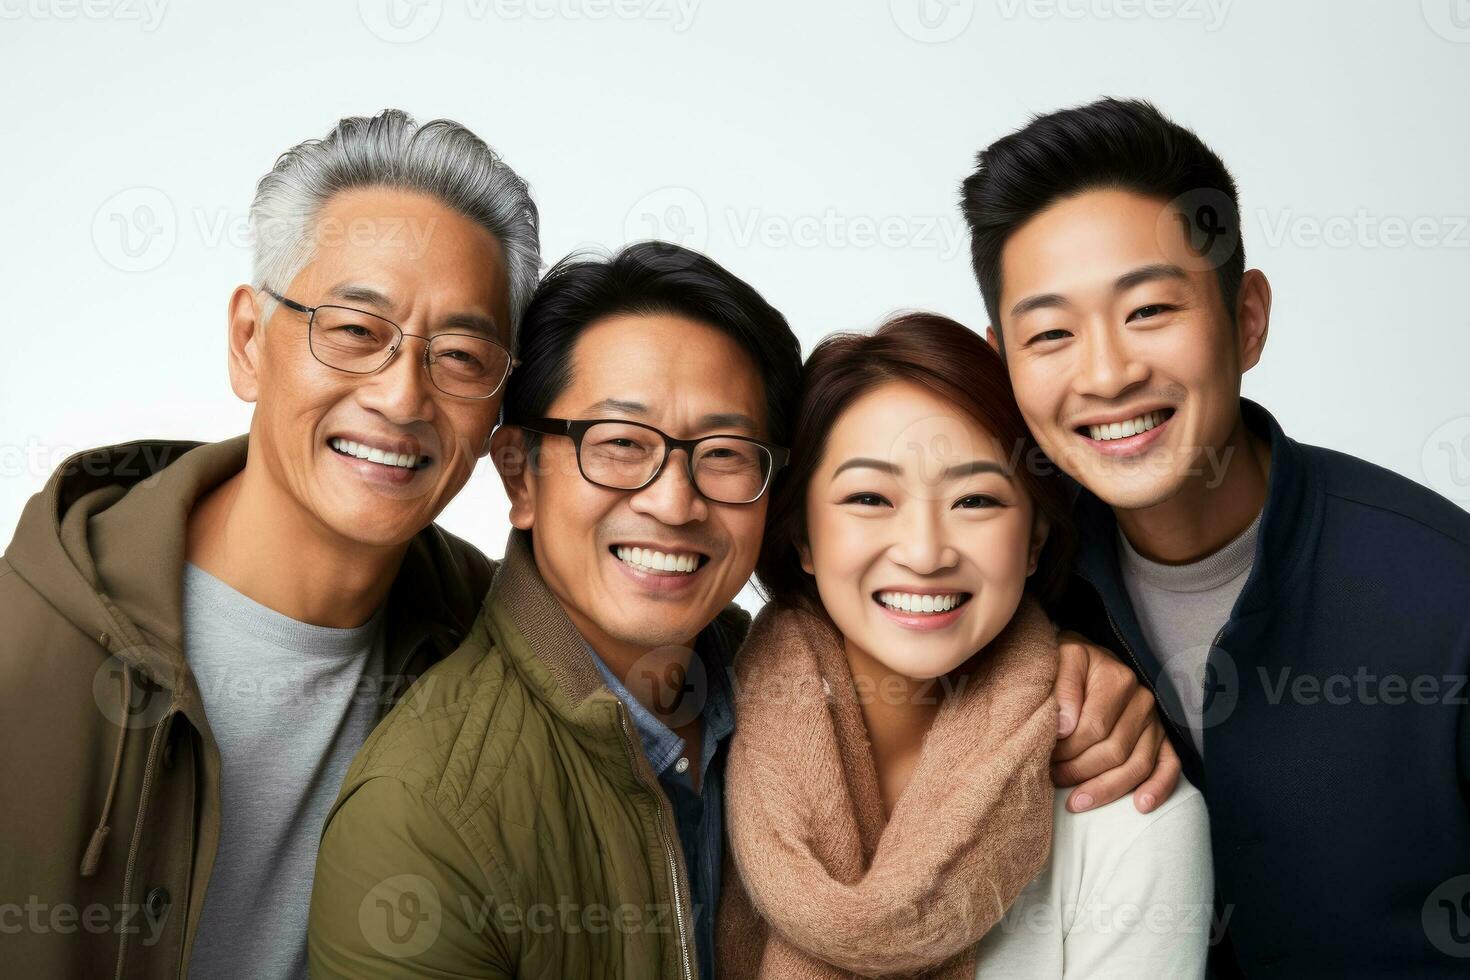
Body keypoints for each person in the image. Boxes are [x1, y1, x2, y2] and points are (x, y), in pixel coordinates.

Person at [307, 243, 1177, 979]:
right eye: (620, 445)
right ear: (520, 474)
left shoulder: (764, 675)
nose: (674, 501)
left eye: (723, 454)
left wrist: (1056, 669)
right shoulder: (425, 814)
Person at [0, 108, 539, 979]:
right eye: (355, 332)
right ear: (249, 341)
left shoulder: (501, 654)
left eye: (462, 355)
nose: (401, 399)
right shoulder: (23, 648)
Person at [960, 96, 1470, 974]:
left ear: (1247, 320)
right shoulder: (1003, 589)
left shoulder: (1444, 597)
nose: (1108, 372)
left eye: (1150, 310)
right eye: (1049, 333)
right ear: (1002, 363)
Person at [718, 312, 1212, 978]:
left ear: (1035, 539)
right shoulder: (700, 750)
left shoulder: (1129, 821)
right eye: (869, 497)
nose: (924, 553)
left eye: (975, 500)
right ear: (802, 536)